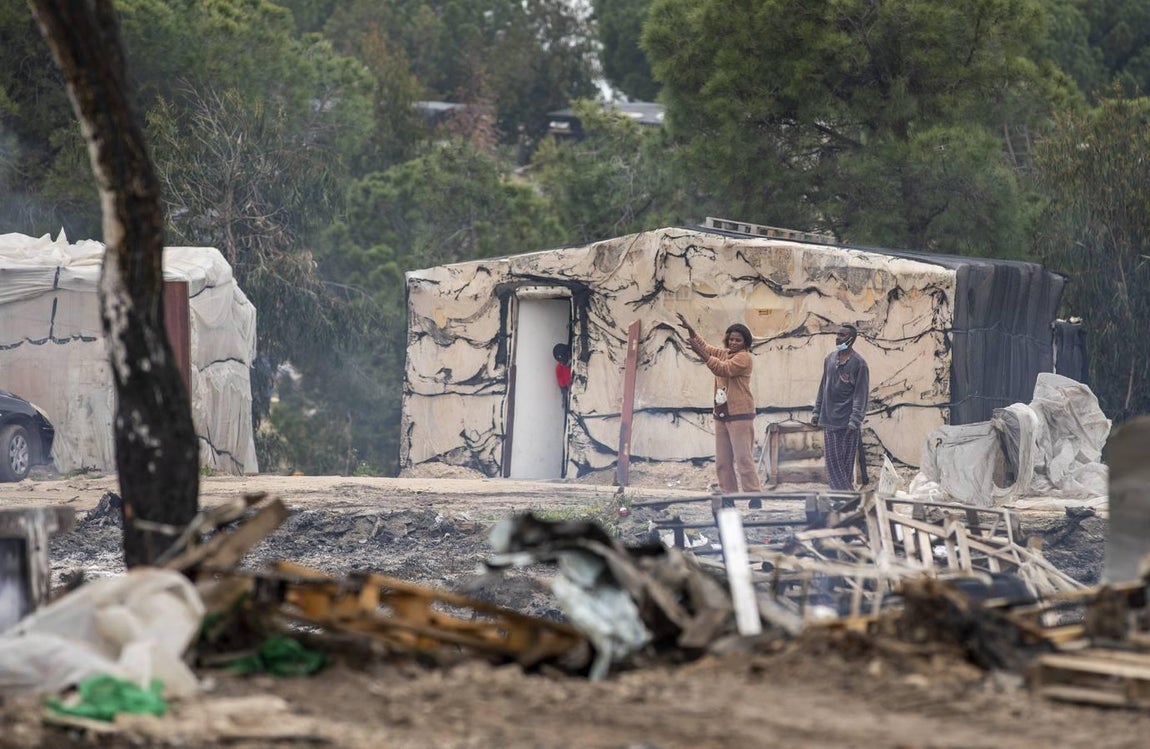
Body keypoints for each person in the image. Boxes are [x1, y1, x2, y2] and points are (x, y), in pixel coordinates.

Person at [676, 313, 762, 498]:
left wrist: (700, 352)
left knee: (743, 460)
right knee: (722, 461)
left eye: (738, 340)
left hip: (740, 415)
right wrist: (691, 330)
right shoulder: (725, 353)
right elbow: (707, 347)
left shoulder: (744, 358)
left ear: (745, 342)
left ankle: (754, 496)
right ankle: (728, 495)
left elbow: (722, 368)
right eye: (731, 339)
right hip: (722, 414)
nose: (733, 343)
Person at [812, 323, 870, 490]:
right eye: (837, 334)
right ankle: (845, 496)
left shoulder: (859, 364)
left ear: (851, 339)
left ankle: (844, 497)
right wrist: (817, 411)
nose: (838, 338)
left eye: (842, 335)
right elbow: (823, 387)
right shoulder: (829, 359)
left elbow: (861, 394)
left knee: (845, 462)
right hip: (829, 419)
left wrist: (855, 420)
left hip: (847, 422)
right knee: (833, 462)